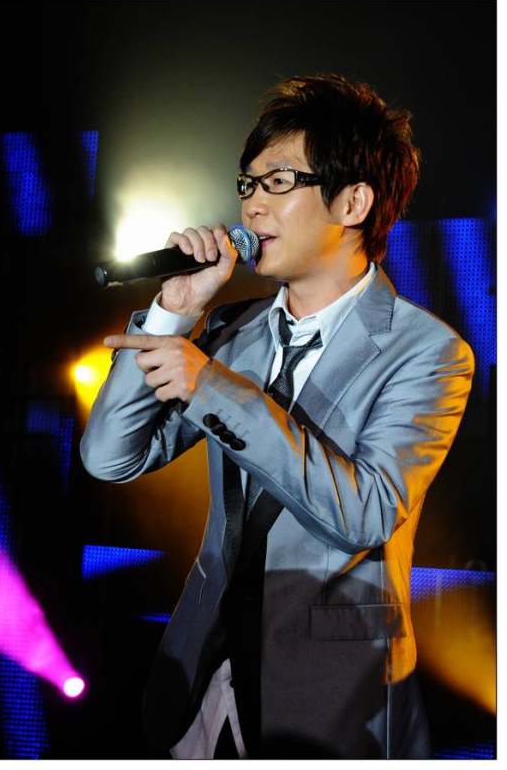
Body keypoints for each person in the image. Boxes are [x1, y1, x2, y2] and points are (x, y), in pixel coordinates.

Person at [80, 73, 474, 759]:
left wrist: (216, 390)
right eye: (247, 184)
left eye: (278, 182)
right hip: (201, 679)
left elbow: (367, 512)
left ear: (352, 201)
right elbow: (110, 456)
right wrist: (175, 310)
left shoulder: (428, 352)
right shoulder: (230, 331)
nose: (252, 204)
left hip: (332, 696)